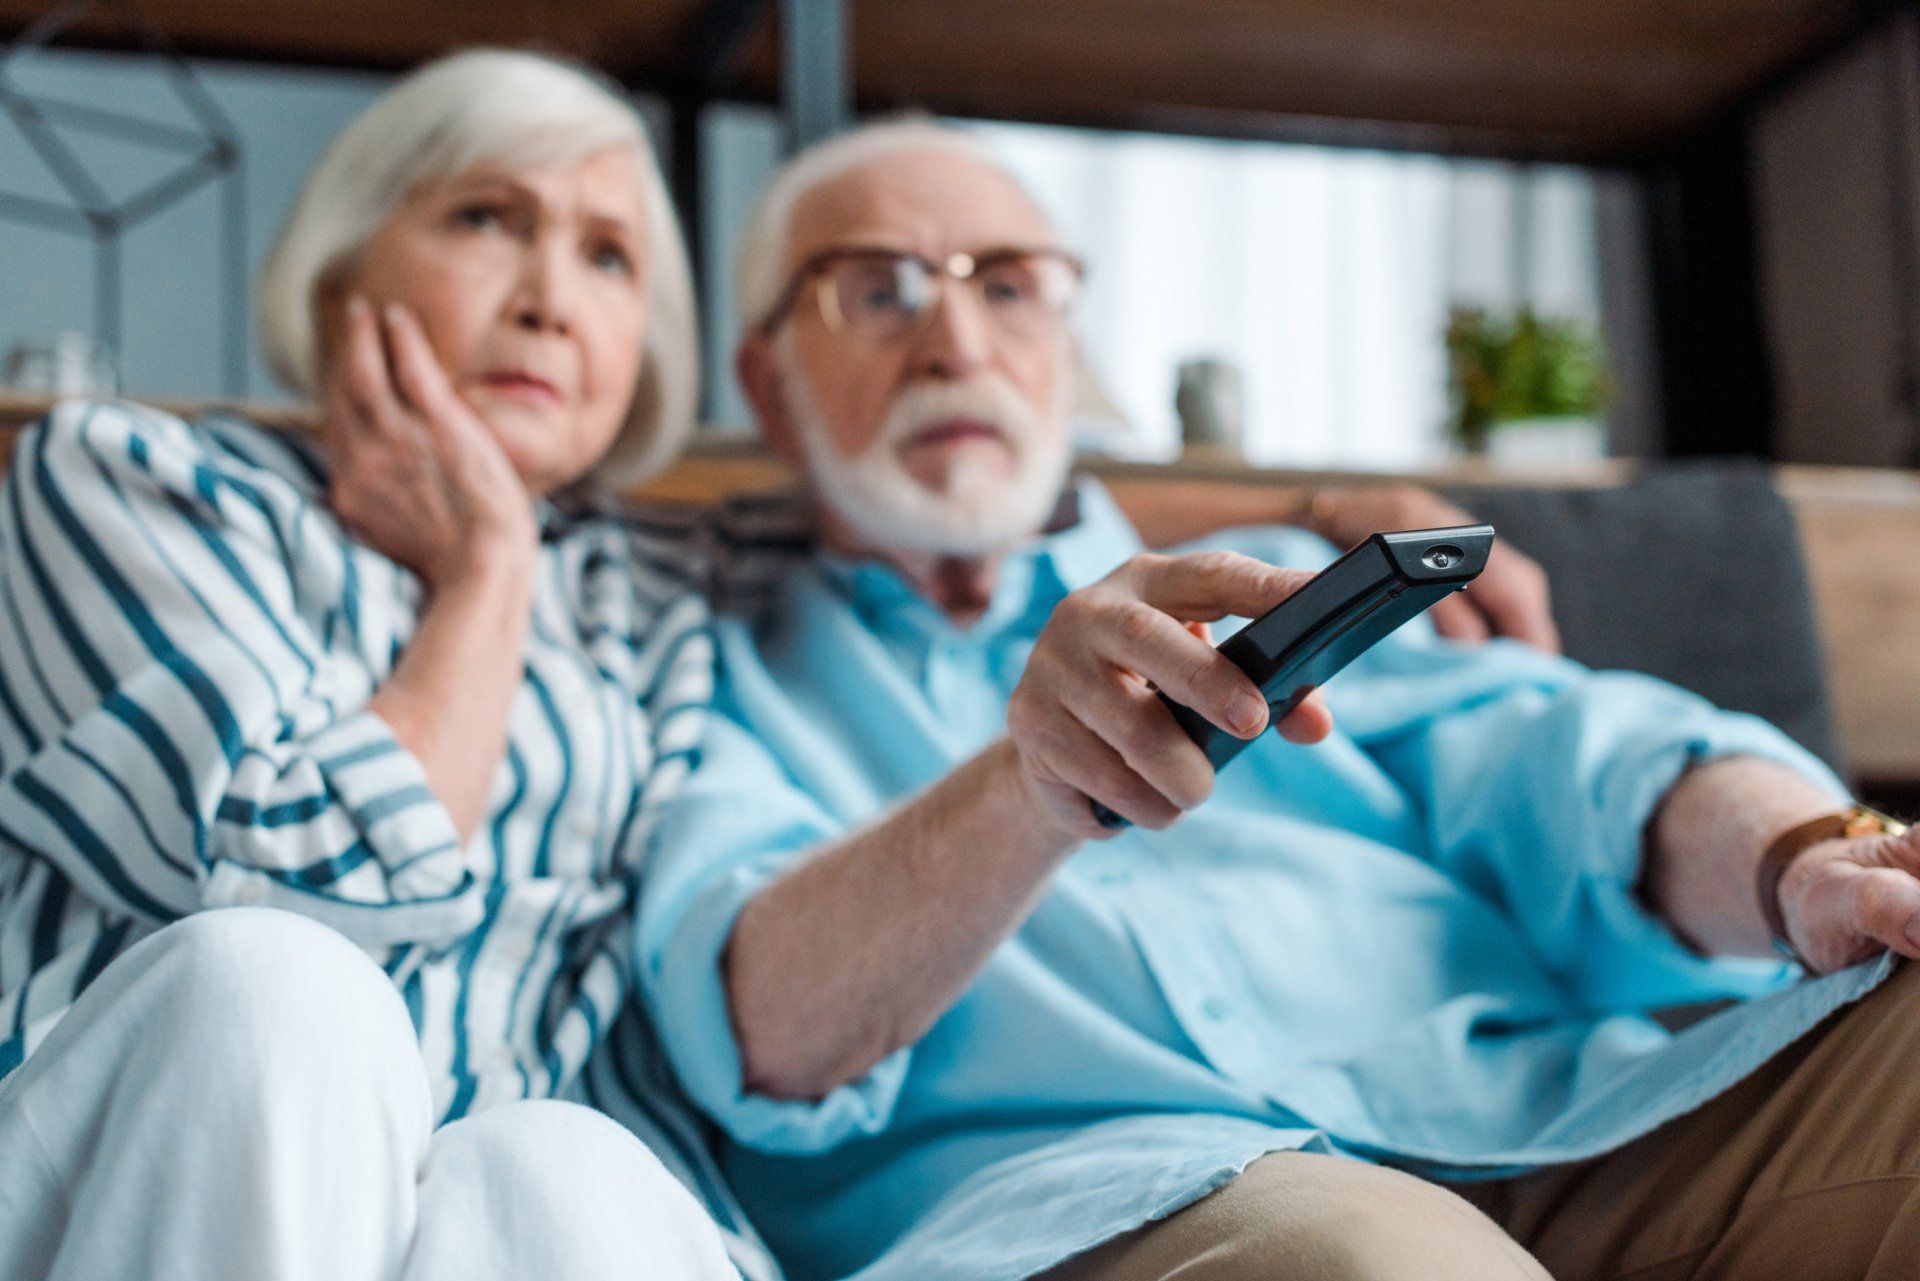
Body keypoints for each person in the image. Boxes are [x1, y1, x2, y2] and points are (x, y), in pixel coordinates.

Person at [635, 119, 1920, 1281]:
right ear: (769, 386)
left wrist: (1804, 858)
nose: (957, 342)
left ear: (1065, 347)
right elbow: (759, 1030)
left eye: (1010, 286)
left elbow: (1574, 759)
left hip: (1564, 1117)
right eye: (878, 290)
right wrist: (1030, 788)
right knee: (1369, 1259)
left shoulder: (1272, 570)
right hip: (1126, 1202)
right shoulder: (705, 672)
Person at [0, 49, 753, 1281]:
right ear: (341, 267)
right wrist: (487, 569)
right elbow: (298, 885)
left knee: (567, 1163)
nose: (551, 301)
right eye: (487, 218)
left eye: (608, 257)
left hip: (501, 1229)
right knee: (282, 990)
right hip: (149, 1175)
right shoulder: (130, 483)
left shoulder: (661, 600)